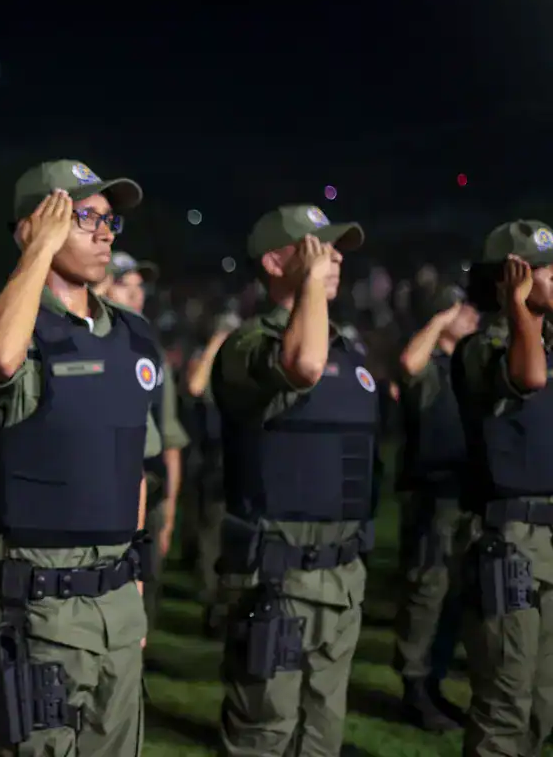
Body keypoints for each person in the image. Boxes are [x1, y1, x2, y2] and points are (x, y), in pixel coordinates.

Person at [0, 160, 157, 756]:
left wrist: (137, 577)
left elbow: (135, 463)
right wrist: (38, 253)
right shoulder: (10, 327)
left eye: (109, 220)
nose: (105, 233)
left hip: (117, 598)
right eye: (85, 218)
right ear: (35, 226)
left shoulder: (134, 334)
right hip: (43, 606)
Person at [211, 205, 373, 756]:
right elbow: (300, 366)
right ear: (278, 260)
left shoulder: (349, 352)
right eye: (318, 249)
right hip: (275, 580)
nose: (335, 259)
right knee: (264, 736)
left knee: (322, 735)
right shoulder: (248, 346)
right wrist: (306, 290)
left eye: (336, 250)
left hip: (341, 578)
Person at [452, 220, 553, 756]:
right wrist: (518, 309)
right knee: (504, 706)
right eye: (544, 270)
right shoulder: (481, 348)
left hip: (548, 542)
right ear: (510, 277)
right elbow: (528, 377)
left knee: (543, 708)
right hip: (506, 542)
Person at [393, 285, 479, 732]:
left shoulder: (467, 366)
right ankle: (414, 686)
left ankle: (435, 680)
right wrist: (441, 320)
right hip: (433, 495)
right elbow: (407, 365)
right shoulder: (430, 366)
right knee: (427, 591)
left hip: (465, 493)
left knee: (455, 597)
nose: (472, 316)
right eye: (462, 310)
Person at [96, 252, 190, 643]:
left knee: (145, 585)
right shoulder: (84, 343)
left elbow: (169, 433)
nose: (135, 294)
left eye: (139, 286)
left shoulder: (150, 352)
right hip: (101, 489)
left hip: (147, 487)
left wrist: (168, 505)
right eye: (123, 284)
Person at [184, 312, 240, 637]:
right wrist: (216, 344)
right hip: (212, 464)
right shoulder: (207, 364)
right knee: (211, 540)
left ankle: (229, 607)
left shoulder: (241, 367)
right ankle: (214, 608)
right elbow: (194, 385)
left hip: (239, 464)